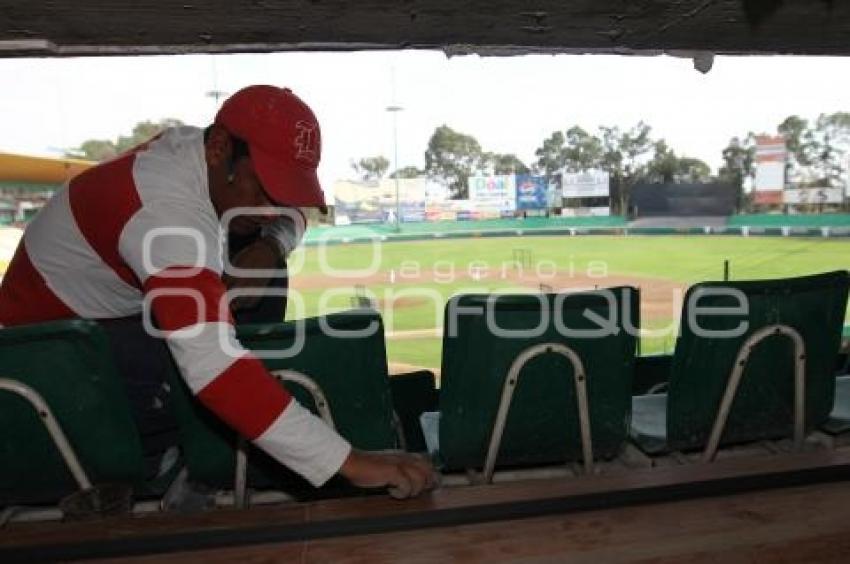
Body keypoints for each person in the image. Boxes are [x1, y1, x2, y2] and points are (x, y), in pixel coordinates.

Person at [0, 85, 436, 499]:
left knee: (264, 269)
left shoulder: (204, 158)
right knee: (211, 365)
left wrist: (270, 245)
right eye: (263, 188)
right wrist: (350, 462)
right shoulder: (168, 216)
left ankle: (240, 418)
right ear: (219, 149)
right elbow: (213, 367)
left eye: (280, 191)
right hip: (47, 349)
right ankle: (160, 457)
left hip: (113, 316)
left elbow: (295, 211)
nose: (270, 208)